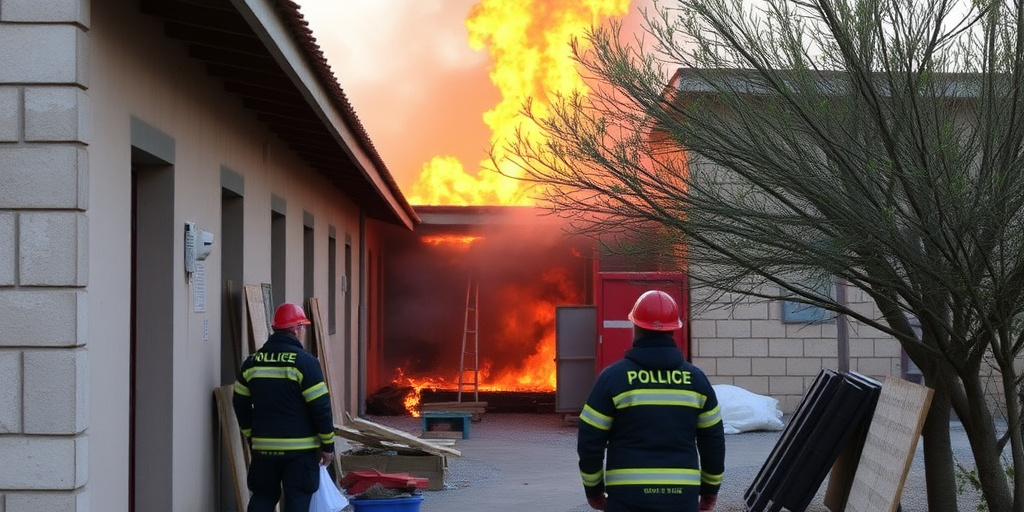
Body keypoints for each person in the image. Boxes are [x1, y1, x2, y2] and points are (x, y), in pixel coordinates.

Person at [577, 290, 725, 512]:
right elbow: (713, 443)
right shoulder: (697, 381)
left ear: (635, 328)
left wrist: (593, 490)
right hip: (681, 497)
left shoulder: (613, 379)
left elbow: (589, 442)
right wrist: (710, 492)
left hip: (626, 496)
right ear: (673, 330)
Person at [233, 302, 335, 512]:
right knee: (297, 499)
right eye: (303, 327)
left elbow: (239, 402)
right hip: (300, 452)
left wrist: (251, 434)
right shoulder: (305, 363)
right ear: (296, 329)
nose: (304, 331)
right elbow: (321, 408)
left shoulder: (252, 363)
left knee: (262, 496)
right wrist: (328, 445)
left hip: (264, 449)